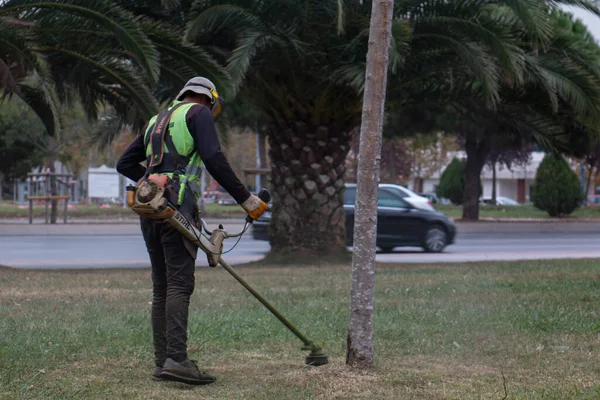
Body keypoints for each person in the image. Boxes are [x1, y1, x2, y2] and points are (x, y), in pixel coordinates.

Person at [116, 77, 267, 385]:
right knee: (179, 285)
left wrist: (150, 180)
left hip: (151, 208)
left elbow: (124, 163)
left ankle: (163, 362)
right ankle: (177, 360)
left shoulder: (156, 120)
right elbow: (213, 158)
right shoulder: (198, 114)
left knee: (162, 286)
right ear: (208, 99)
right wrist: (247, 199)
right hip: (177, 206)